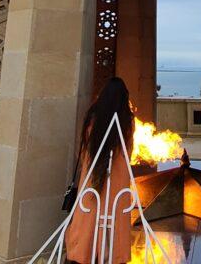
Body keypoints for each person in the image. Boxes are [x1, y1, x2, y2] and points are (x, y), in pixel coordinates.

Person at [64, 77, 135, 264]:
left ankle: (83, 253)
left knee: (87, 218)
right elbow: (128, 149)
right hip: (117, 181)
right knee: (114, 220)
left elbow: (84, 149)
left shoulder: (93, 117)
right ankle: (110, 255)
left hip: (92, 177)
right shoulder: (126, 121)